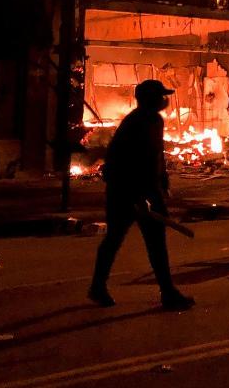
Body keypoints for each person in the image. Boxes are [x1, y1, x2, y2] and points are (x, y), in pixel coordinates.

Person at [89, 80, 194, 310]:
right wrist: (135, 197)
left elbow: (157, 155)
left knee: (156, 243)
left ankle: (168, 293)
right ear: (149, 99)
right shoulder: (134, 123)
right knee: (115, 238)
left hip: (149, 190)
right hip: (126, 192)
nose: (164, 100)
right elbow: (121, 163)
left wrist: (163, 182)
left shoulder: (155, 121)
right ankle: (98, 287)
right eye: (160, 96)